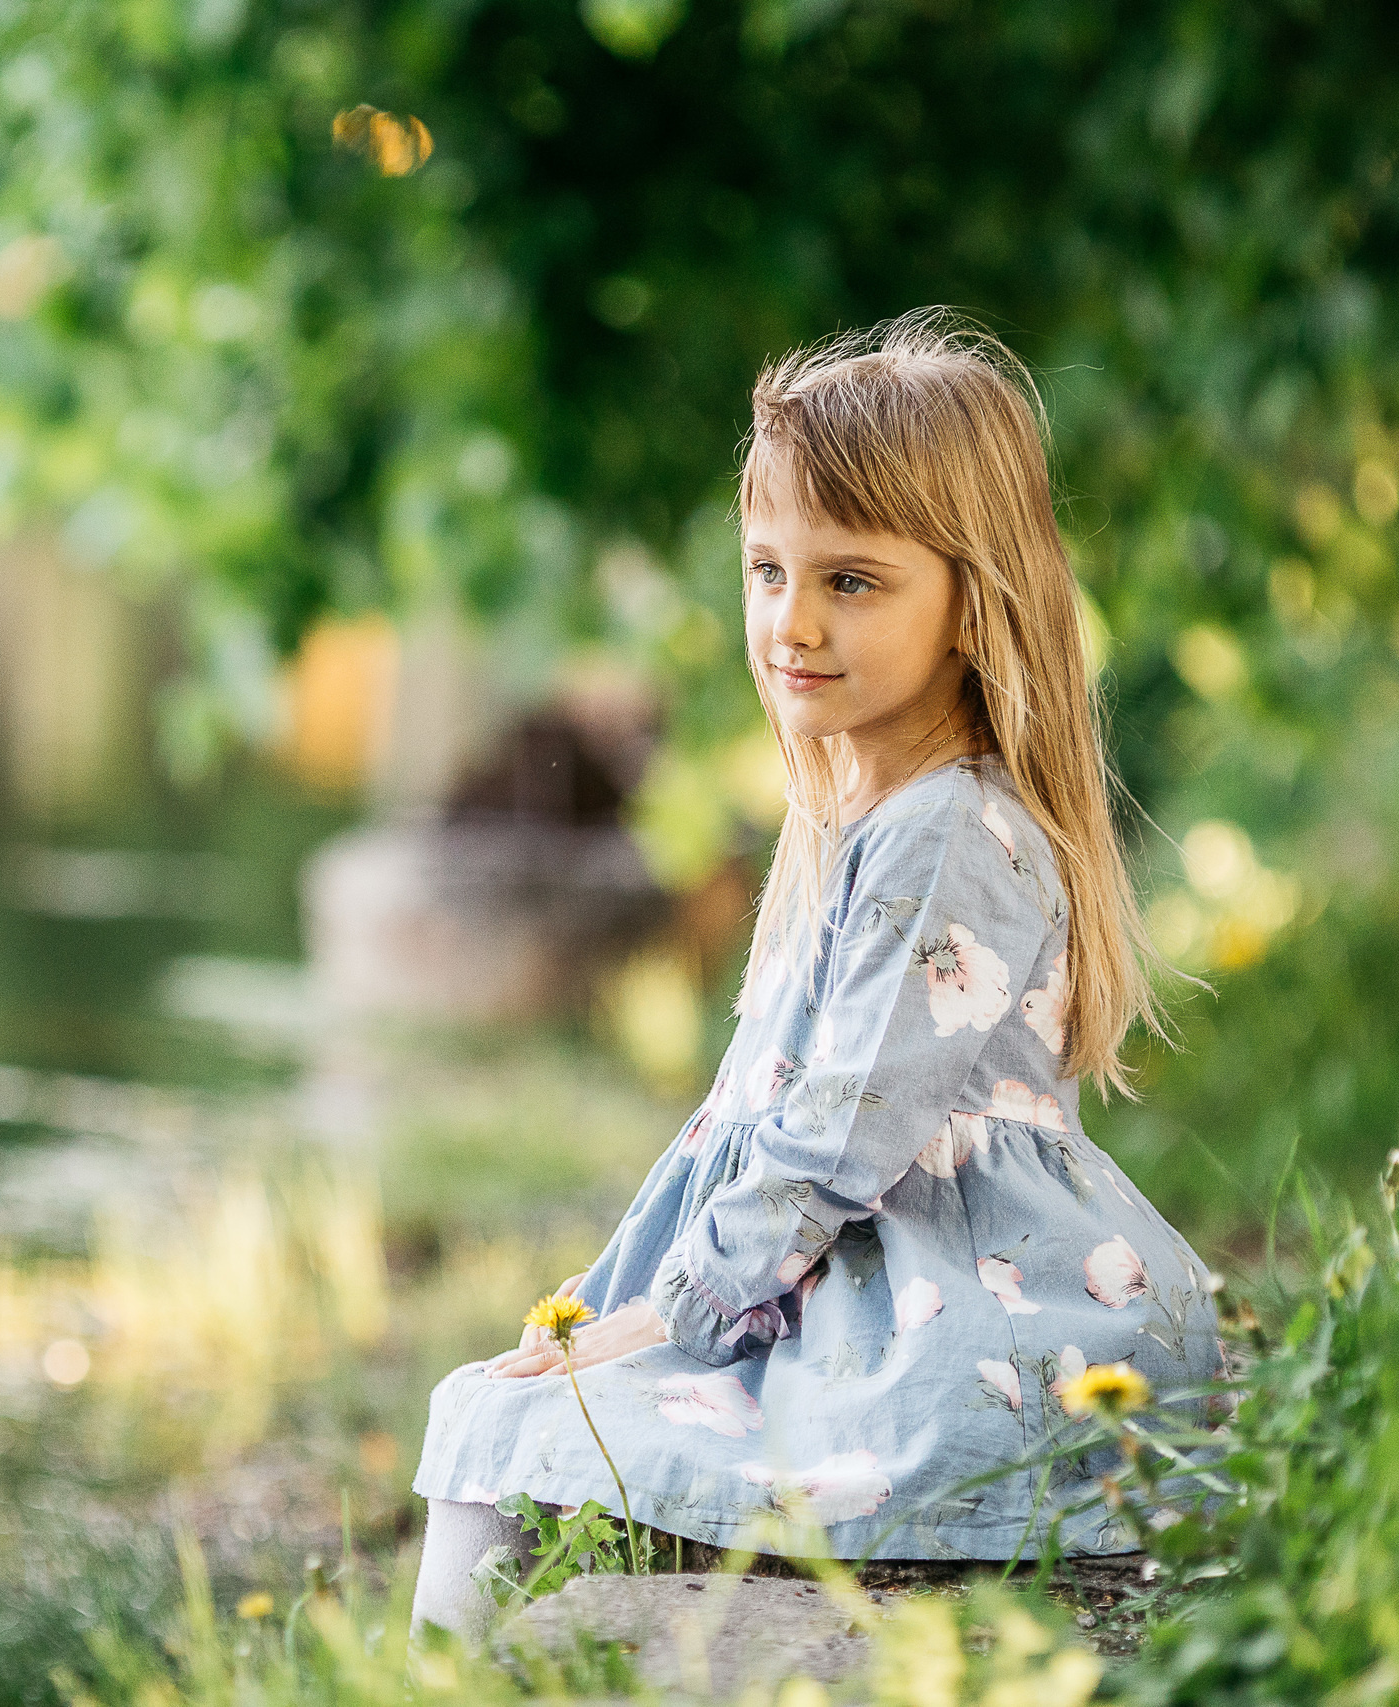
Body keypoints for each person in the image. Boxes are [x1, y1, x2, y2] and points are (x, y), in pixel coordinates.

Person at [408, 310, 1226, 1646]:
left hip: (927, 1318)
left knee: (501, 1418)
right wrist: (626, 1304)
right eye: (768, 569)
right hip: (825, 1284)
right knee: (497, 1406)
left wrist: (648, 1322)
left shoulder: (949, 834)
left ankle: (442, 1680)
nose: (793, 619)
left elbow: (837, 1141)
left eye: (853, 580)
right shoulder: (865, 818)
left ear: (976, 597)